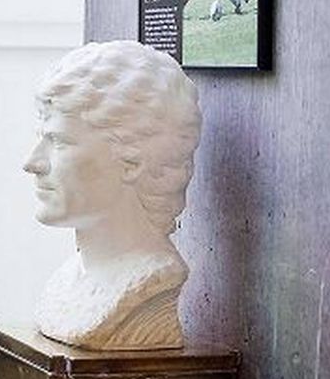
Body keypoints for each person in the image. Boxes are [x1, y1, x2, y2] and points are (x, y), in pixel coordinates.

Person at [22, 40, 201, 350]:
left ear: (133, 160)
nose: (32, 163)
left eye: (59, 141)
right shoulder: (66, 282)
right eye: (41, 139)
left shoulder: (151, 285)